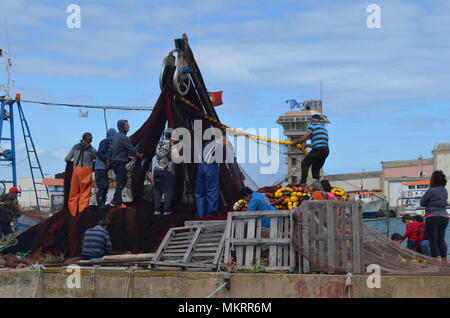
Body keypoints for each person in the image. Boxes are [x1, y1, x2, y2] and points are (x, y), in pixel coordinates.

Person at [195, 135, 231, 217]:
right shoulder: (221, 148)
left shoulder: (207, 144)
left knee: (199, 192)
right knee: (211, 192)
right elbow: (222, 160)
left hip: (201, 167)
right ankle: (210, 214)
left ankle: (200, 214)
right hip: (211, 168)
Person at [110, 120, 143, 208]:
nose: (129, 126)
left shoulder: (117, 137)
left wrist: (130, 157)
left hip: (116, 162)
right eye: (127, 125)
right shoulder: (124, 138)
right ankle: (119, 204)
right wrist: (139, 155)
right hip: (120, 163)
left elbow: (119, 151)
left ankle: (114, 201)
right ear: (122, 127)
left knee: (121, 181)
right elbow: (132, 150)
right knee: (121, 182)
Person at [290, 114, 329, 187]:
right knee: (316, 167)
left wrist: (294, 143)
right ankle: (316, 183)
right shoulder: (324, 129)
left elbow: (304, 137)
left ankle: (303, 183)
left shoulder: (313, 126)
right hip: (325, 150)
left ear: (313, 120)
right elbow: (321, 142)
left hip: (318, 149)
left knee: (305, 163)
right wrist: (308, 145)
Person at [65, 132, 97, 216]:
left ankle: (73, 214)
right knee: (85, 194)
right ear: (89, 139)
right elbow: (97, 158)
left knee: (73, 193)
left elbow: (67, 158)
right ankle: (81, 214)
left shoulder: (75, 147)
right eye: (92, 138)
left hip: (76, 171)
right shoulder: (92, 149)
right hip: (86, 171)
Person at [420, 170, 449, 259]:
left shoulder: (431, 190)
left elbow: (422, 202)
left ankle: (434, 263)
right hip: (445, 217)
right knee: (440, 240)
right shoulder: (445, 190)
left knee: (433, 241)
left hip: (433, 218)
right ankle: (444, 261)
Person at [153, 128, 181, 216]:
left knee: (158, 191)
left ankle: (157, 210)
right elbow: (176, 158)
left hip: (156, 170)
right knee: (168, 190)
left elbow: (157, 155)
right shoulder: (172, 145)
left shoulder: (159, 144)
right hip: (167, 171)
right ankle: (167, 210)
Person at [94, 128, 117, 209]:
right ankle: (100, 204)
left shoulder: (111, 144)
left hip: (104, 169)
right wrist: (106, 160)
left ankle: (102, 204)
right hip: (100, 168)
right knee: (103, 186)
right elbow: (99, 152)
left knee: (105, 186)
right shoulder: (105, 142)